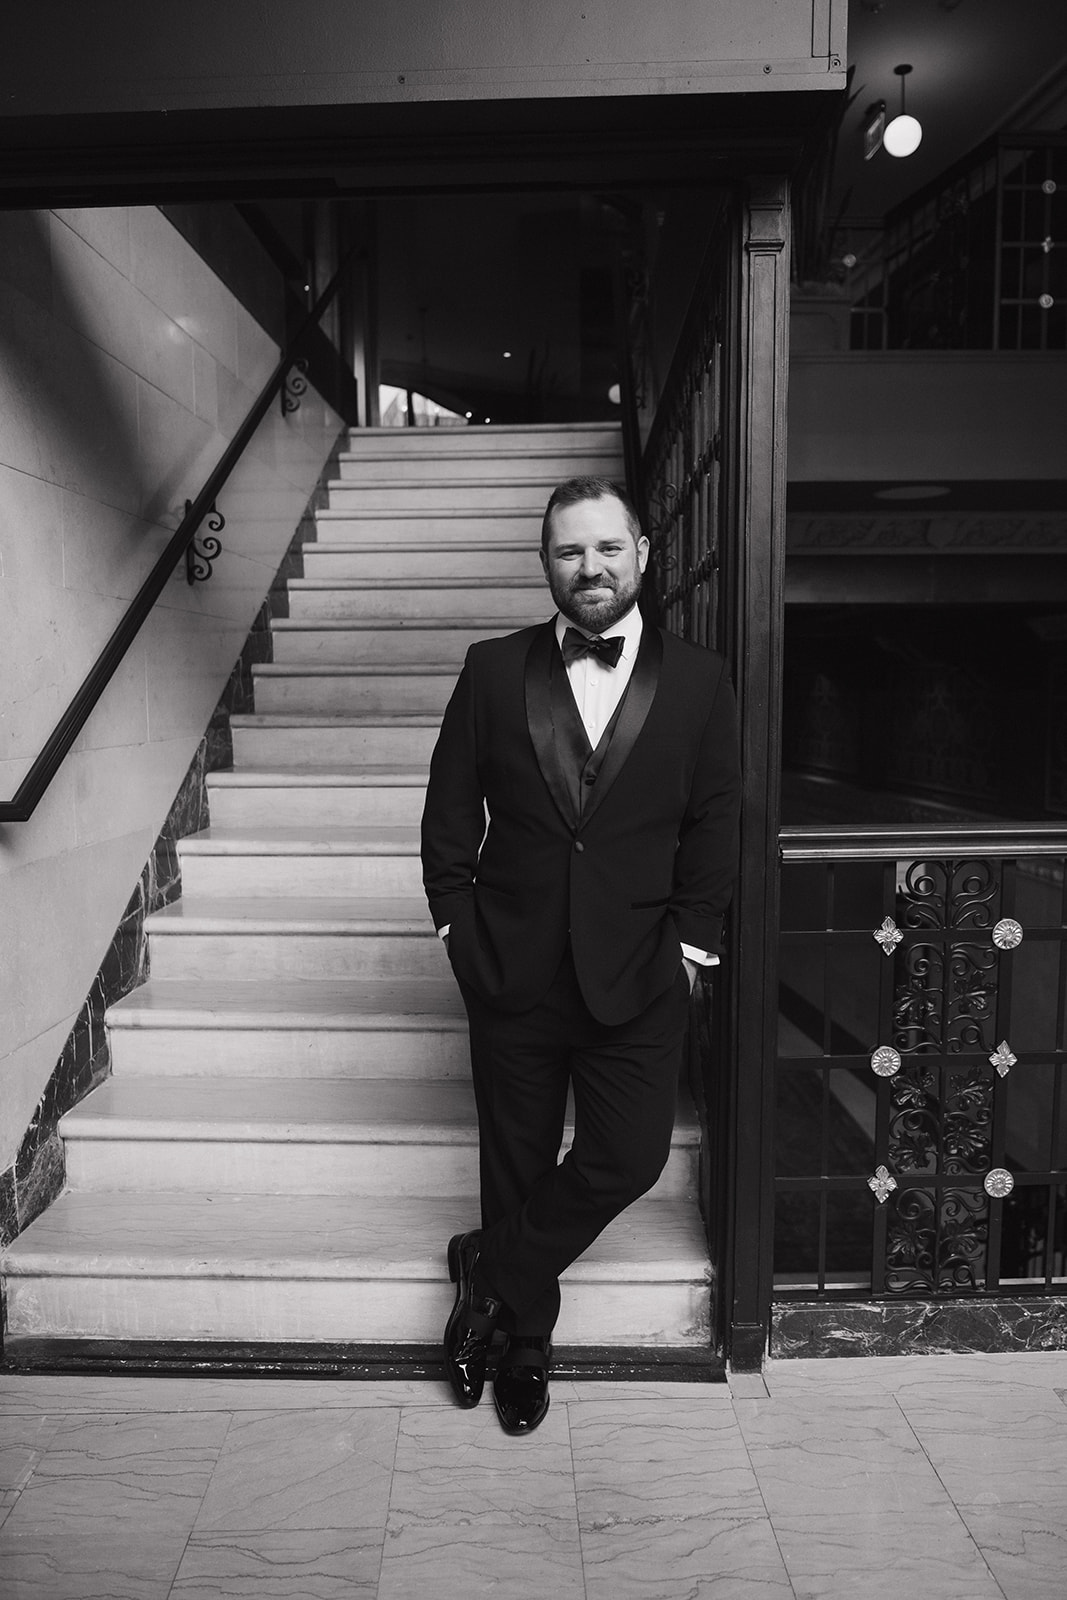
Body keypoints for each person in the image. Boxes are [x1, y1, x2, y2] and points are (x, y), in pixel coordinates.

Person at [420, 476, 740, 1435]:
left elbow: (716, 817)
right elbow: (446, 814)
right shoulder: (488, 670)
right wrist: (455, 926)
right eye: (569, 552)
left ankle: (491, 1270)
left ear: (641, 551)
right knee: (515, 1165)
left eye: (606, 548)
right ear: (546, 563)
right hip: (510, 965)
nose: (589, 567)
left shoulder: (699, 680)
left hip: (640, 972)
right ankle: (524, 1347)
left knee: (627, 1157)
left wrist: (690, 945)